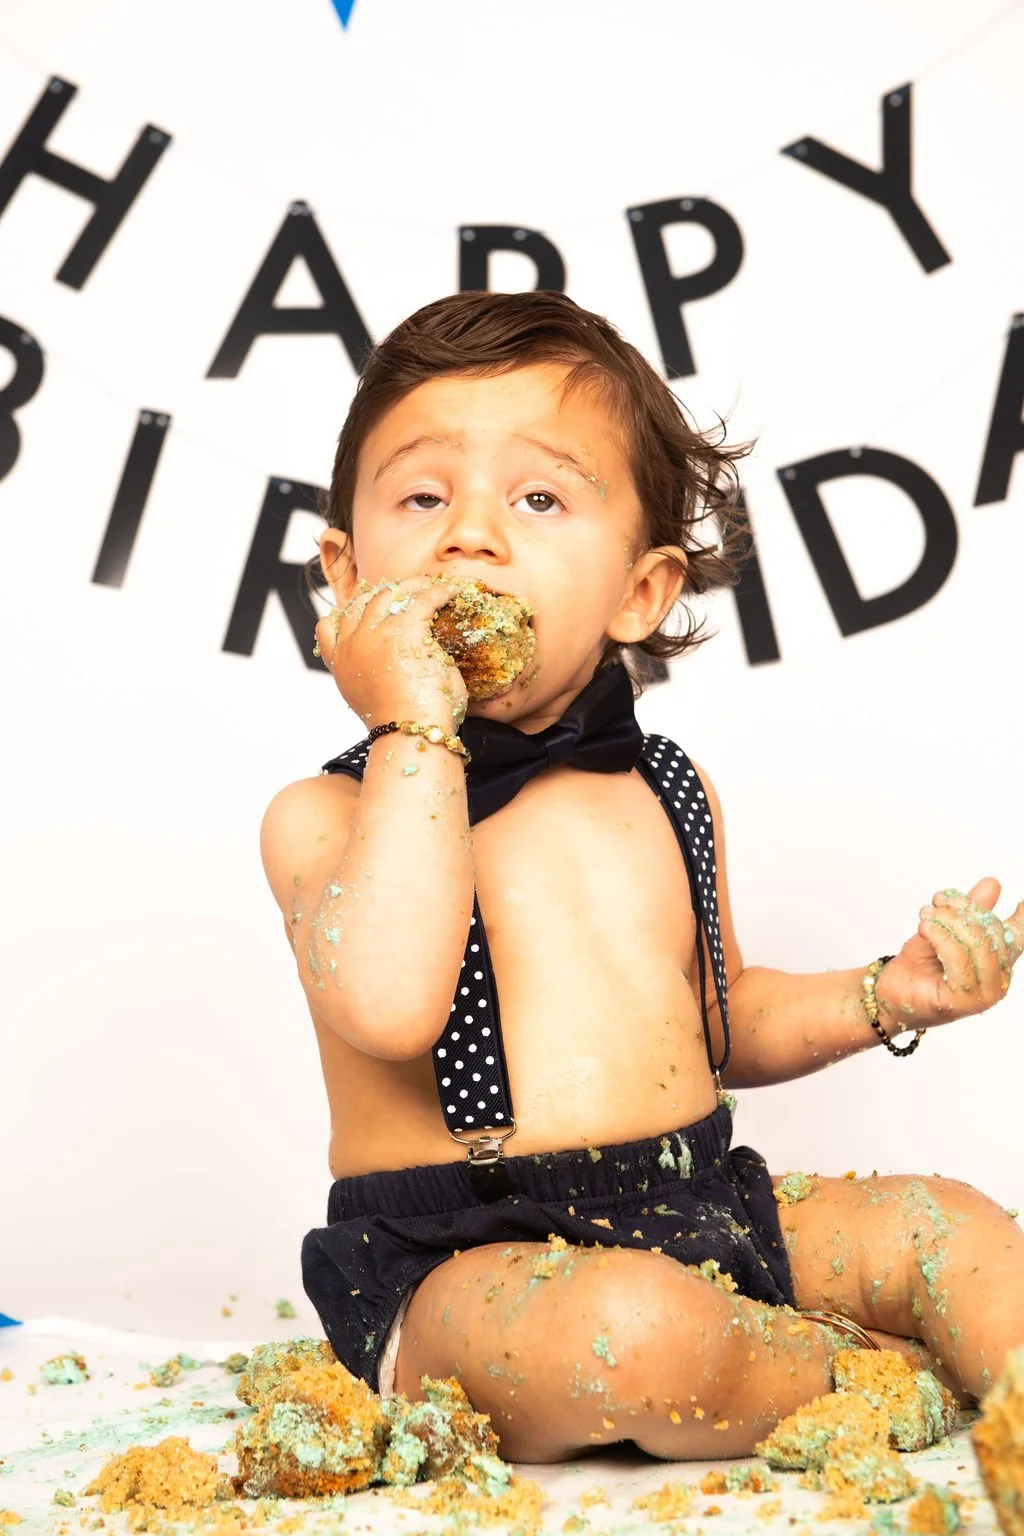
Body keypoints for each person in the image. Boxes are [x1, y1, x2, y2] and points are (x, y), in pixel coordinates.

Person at [259, 290, 1024, 1464]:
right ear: (347, 572)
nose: (470, 535)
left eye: (537, 498)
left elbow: (711, 1028)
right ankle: (858, 1374)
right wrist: (414, 724)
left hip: (698, 1196)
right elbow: (391, 1001)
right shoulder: (327, 817)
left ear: (638, 592)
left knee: (949, 1227)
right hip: (467, 1265)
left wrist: (886, 995)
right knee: (630, 1332)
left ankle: (1003, 1392)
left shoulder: (664, 790)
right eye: (422, 497)